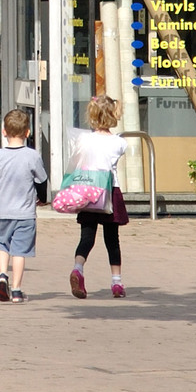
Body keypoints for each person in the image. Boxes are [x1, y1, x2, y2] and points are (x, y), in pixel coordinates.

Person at [0, 106, 48, 303]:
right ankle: (17, 290)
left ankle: (2, 275)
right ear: (28, 133)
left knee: (3, 244)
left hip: (3, 211)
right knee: (20, 251)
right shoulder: (32, 156)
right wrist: (42, 198)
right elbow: (42, 180)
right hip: (25, 213)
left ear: (4, 132)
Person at [67, 94, 128, 298]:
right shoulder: (118, 143)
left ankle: (78, 268)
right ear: (113, 115)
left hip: (87, 190)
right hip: (110, 190)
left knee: (87, 236)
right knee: (112, 240)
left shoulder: (83, 139)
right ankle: (116, 282)